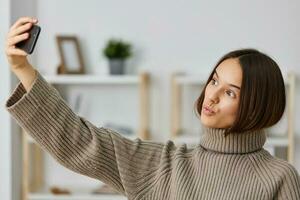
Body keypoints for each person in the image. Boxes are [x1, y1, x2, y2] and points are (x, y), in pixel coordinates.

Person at [5, 17, 300, 200]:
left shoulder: (279, 177)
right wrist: (21, 68)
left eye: (230, 92)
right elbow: (81, 142)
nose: (212, 96)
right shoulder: (166, 165)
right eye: (214, 81)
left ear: (256, 107)